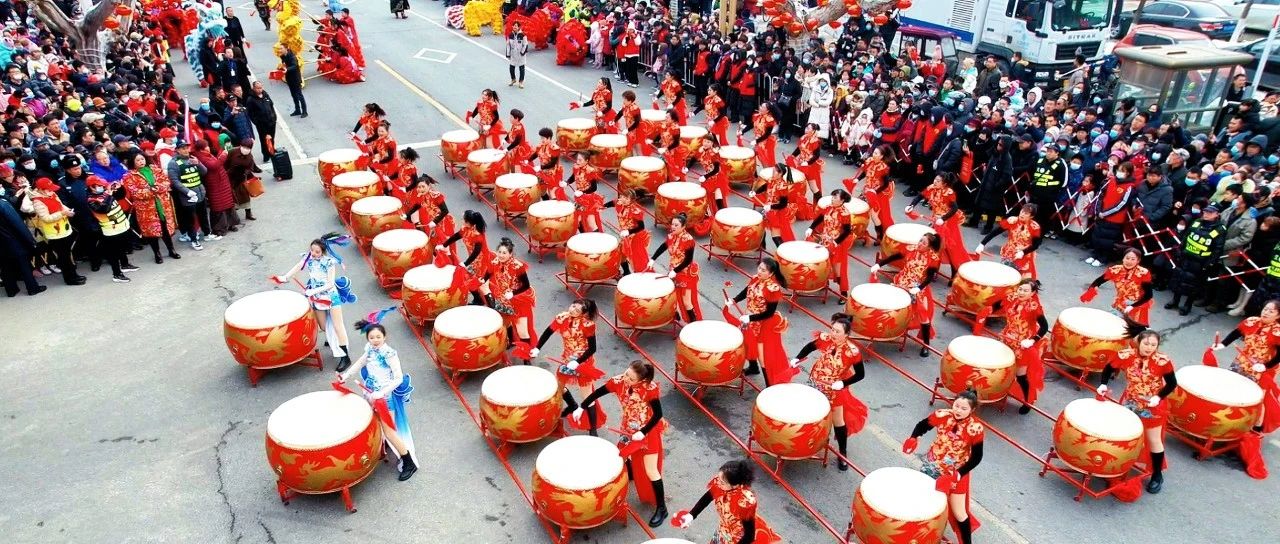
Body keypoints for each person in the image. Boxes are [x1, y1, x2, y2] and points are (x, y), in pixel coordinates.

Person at [576, 360, 668, 527]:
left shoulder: (650, 389)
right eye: (626, 373)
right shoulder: (618, 382)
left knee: (651, 470)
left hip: (647, 432)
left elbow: (658, 414)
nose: (626, 378)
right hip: (627, 428)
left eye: (631, 378)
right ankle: (628, 477)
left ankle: (662, 508)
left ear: (642, 381)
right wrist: (581, 407)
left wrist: (643, 431)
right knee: (621, 458)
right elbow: (597, 393)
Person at [336, 312, 418, 480]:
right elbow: (360, 363)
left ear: (385, 337)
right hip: (371, 393)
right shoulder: (370, 350)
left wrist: (383, 392)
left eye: (378, 336)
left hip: (384, 398)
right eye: (372, 337)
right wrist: (345, 376)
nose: (375, 340)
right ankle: (385, 448)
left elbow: (398, 378)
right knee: (376, 423)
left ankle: (408, 462)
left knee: (390, 431)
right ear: (368, 339)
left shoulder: (389, 354)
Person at [1099, 330, 1177, 494]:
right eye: (1146, 344)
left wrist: (1159, 396)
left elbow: (1172, 384)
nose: (1149, 348)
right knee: (1124, 434)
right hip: (1131, 402)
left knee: (1153, 440)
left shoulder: (1162, 361)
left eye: (1153, 345)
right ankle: (1116, 464)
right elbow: (1108, 368)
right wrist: (1103, 384)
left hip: (1153, 405)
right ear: (1139, 343)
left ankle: (1157, 474)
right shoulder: (1126, 355)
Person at [903, 389, 985, 544]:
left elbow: (976, 457)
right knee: (925, 499)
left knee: (959, 512)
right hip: (932, 465)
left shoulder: (975, 428)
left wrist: (959, 474)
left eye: (963, 408)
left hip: (956, 473)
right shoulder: (942, 415)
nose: (958, 410)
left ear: (972, 410)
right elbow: (922, 425)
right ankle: (921, 533)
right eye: (956, 406)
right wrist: (914, 437)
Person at [789, 314, 866, 470]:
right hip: (816, 381)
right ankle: (804, 440)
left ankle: (842, 453)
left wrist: (843, 383)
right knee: (809, 412)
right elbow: (810, 346)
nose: (833, 333)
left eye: (837, 331)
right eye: (833, 329)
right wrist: (797, 358)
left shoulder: (852, 352)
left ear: (846, 334)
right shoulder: (825, 338)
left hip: (834, 388)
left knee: (838, 421)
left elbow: (860, 374)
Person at [274, 234, 353, 371]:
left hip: (330, 296)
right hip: (316, 297)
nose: (314, 254)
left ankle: (345, 357)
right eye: (312, 250)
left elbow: (329, 284)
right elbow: (298, 266)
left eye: (317, 252)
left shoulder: (329, 262)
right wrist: (285, 277)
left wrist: (313, 291)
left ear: (323, 251)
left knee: (338, 325)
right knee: (323, 325)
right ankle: (331, 336)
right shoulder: (308, 257)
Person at [976, 278, 1048, 414]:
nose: (1021, 292)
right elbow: (998, 304)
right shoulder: (1012, 297)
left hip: (1023, 343)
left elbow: (1044, 327)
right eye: (1020, 289)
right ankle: (994, 391)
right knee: (1001, 367)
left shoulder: (1034, 307)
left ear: (1032, 293)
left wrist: (1032, 340)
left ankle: (1027, 401)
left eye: (1025, 291)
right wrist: (988, 309)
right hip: (1007, 337)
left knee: (1021, 375)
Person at [1212, 299, 1280, 434]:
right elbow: (1237, 332)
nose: (1266, 312)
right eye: (1265, 309)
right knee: (1231, 387)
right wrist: (1223, 344)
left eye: (1271, 311)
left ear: (1278, 316)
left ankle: (1256, 428)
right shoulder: (1252, 321)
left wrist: (1265, 366)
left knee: (1258, 398)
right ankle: (1231, 418)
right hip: (1243, 360)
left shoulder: (1277, 332)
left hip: (1263, 368)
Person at [673, 460, 780, 544]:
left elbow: (749, 535)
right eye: (718, 478)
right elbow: (707, 497)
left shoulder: (745, 502)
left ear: (735, 485)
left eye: (722, 482)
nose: (717, 483)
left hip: (738, 539)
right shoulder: (721, 483)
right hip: (722, 530)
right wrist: (692, 515)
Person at [873, 233, 943, 357]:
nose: (920, 244)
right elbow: (894, 257)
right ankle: (886, 330)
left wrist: (918, 288)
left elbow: (930, 278)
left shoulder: (933, 258)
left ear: (929, 247)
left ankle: (926, 345)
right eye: (920, 240)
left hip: (918, 287)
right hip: (901, 282)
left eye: (924, 243)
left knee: (923, 316)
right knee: (890, 305)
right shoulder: (910, 249)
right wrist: (879, 264)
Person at [728, 258, 794, 385]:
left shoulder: (772, 289)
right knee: (747, 343)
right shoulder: (755, 279)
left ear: (771, 274)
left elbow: (769, 313)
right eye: (759, 268)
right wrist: (734, 300)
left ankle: (769, 384)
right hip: (750, 319)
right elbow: (746, 291)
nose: (760, 271)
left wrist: (750, 318)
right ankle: (753, 367)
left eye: (763, 270)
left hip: (764, 324)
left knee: (762, 356)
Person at [1166, 205, 1227, 316]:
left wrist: (1209, 263)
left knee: (1194, 285)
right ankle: (1175, 301)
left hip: (1200, 261)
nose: (1206, 214)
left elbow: (1218, 249)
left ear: (1217, 214)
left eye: (1210, 212)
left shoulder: (1219, 229)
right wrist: (1180, 249)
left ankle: (1187, 305)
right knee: (1179, 278)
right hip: (1186, 257)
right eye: (1205, 211)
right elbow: (1186, 236)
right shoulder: (1197, 222)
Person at [122, 151, 182, 265]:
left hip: (162, 204)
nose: (141, 162)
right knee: (151, 232)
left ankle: (171, 249)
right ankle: (157, 253)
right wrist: (149, 191)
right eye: (138, 160)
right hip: (146, 209)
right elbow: (134, 192)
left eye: (142, 159)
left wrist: (158, 187)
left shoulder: (154, 168)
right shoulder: (129, 176)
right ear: (133, 162)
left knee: (165, 228)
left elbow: (166, 181)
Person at [480, 237, 536, 359]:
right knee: (506, 321)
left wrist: (513, 293)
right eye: (499, 252)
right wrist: (482, 280)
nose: (501, 255)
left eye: (504, 253)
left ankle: (526, 358)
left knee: (522, 331)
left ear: (510, 254)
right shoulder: (495, 262)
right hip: (503, 298)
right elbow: (488, 273)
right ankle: (510, 341)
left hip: (518, 300)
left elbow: (526, 285)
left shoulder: (518, 266)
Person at [908, 173, 970, 277]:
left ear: (944, 184)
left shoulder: (949, 193)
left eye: (938, 181)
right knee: (934, 245)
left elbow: (954, 209)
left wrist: (943, 218)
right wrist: (911, 205)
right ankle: (933, 269)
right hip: (936, 220)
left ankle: (954, 271)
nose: (935, 182)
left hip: (947, 222)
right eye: (935, 179)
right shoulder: (931, 188)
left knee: (949, 248)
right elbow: (920, 196)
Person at [29, 177, 86, 285]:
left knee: (68, 254)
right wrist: (63, 213)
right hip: (55, 233)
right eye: (49, 189)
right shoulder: (38, 202)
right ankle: (69, 279)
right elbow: (46, 218)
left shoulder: (52, 194)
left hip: (64, 229)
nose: (52, 191)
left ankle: (74, 274)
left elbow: (60, 205)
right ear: (41, 190)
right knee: (63, 257)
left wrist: (67, 209)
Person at [1081, 247, 1155, 326]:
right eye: (1127, 258)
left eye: (1133, 259)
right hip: (1119, 303)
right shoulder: (1116, 270)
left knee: (1130, 330)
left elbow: (1148, 295)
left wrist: (1132, 306)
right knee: (1109, 324)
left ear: (1138, 261)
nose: (1129, 261)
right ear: (1123, 258)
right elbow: (1099, 281)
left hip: (1137, 305)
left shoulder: (1143, 273)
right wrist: (1092, 289)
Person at [85, 175, 138, 283]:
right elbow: (104, 209)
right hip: (111, 230)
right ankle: (117, 274)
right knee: (114, 253)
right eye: (99, 185)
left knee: (123, 248)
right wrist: (109, 195)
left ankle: (125, 264)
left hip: (122, 225)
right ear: (92, 187)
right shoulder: (91, 200)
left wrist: (120, 187)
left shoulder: (104, 192)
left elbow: (121, 195)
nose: (102, 187)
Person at [651, 213, 701, 323]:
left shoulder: (688, 239)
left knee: (686, 300)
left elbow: (688, 260)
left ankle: (693, 323)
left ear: (683, 227)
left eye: (676, 225)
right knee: (672, 294)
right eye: (672, 224)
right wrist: (653, 259)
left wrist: (675, 271)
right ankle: (675, 313)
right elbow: (663, 247)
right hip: (673, 269)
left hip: (685, 272)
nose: (673, 227)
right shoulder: (671, 236)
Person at [166, 140, 213, 250]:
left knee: (203, 215)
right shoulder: (173, 163)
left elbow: (204, 172)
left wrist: (198, 163)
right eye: (183, 148)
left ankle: (207, 234)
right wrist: (187, 192)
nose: (186, 150)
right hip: (188, 197)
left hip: (200, 193)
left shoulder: (192, 159)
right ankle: (194, 240)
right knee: (190, 220)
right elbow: (174, 181)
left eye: (187, 147)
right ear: (177, 150)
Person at [806, 189, 854, 296]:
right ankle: (824, 283)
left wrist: (837, 242)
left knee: (838, 270)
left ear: (842, 200)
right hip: (825, 240)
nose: (832, 199)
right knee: (825, 264)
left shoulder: (844, 213)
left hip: (837, 244)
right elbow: (819, 219)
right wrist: (811, 228)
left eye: (835, 198)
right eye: (832, 197)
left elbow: (847, 231)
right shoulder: (829, 208)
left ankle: (844, 293)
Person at [976, 204, 1043, 279]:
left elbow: (1036, 245)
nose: (1022, 214)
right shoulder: (1012, 221)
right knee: (1004, 276)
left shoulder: (1035, 227)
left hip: (1025, 255)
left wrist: (1023, 252)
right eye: (1022, 211)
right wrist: (982, 244)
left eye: (1026, 213)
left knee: (1020, 279)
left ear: (1031, 216)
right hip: (1009, 252)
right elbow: (994, 232)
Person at [0, 182, 44, 296]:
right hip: (12, 239)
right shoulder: (3, 203)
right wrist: (30, 239)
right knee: (23, 264)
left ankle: (11, 290)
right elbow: (17, 223)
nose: (2, 188)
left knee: (5, 266)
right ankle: (32, 288)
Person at [604, 188, 649, 275]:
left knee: (636, 259)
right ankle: (627, 272)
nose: (622, 198)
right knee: (621, 254)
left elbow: (641, 227)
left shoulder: (635, 211)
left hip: (635, 237)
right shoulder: (620, 203)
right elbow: (612, 203)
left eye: (625, 197)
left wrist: (628, 231)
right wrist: (603, 206)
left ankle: (640, 275)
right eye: (622, 196)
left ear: (630, 200)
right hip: (626, 237)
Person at [753, 164, 796, 248]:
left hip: (777, 213)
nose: (773, 173)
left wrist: (771, 207)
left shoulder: (783, 186)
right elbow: (765, 187)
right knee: (761, 225)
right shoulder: (771, 180)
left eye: (775, 172)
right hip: (769, 210)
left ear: (780, 174)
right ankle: (761, 245)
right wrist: (756, 192)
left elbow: (783, 204)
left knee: (775, 236)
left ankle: (782, 254)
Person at [220, 139, 259, 227]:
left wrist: (246, 172)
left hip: (241, 178)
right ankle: (234, 217)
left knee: (245, 196)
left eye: (248, 148)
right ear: (240, 146)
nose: (245, 149)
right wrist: (227, 172)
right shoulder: (232, 152)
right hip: (230, 177)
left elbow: (251, 166)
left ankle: (248, 213)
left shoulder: (249, 156)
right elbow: (224, 163)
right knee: (232, 197)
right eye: (244, 147)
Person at [569, 153, 604, 233]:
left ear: (586, 161)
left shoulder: (590, 171)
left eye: (580, 160)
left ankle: (599, 241)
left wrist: (582, 192)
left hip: (588, 200)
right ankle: (584, 237)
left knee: (591, 223)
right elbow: (572, 177)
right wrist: (566, 182)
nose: (577, 161)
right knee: (579, 221)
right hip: (579, 199)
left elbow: (594, 187)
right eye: (577, 159)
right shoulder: (576, 167)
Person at [245, 81, 278, 162]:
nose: (260, 89)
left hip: (271, 122)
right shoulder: (251, 99)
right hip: (262, 125)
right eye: (258, 88)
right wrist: (257, 122)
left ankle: (272, 151)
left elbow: (271, 105)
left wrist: (274, 117)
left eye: (261, 87)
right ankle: (266, 155)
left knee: (272, 138)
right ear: (254, 88)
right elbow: (250, 113)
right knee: (264, 140)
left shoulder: (265, 95)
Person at [276, 44, 307, 117]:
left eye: (281, 48)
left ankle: (305, 111)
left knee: (299, 95)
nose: (280, 50)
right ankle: (297, 110)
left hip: (295, 78)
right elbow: (284, 64)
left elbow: (295, 65)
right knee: (293, 95)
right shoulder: (283, 56)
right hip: (289, 78)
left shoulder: (292, 56)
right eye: (279, 49)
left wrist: (287, 69)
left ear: (286, 48)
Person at [506, 23, 529, 88]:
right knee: (511, 68)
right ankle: (513, 79)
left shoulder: (523, 35)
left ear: (519, 27)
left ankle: (521, 82)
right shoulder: (510, 35)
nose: (514, 27)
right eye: (514, 25)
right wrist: (508, 54)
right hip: (513, 54)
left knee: (521, 68)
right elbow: (508, 45)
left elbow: (525, 44)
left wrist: (522, 53)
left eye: (516, 26)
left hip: (520, 55)